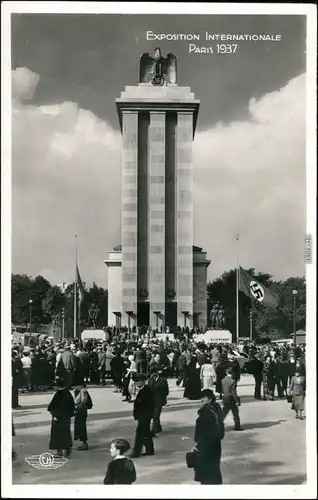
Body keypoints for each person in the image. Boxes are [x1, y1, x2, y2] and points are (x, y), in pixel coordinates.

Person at [192, 389, 225, 485]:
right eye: (201, 397)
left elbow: (201, 432)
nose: (201, 400)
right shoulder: (216, 408)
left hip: (206, 445)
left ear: (210, 399)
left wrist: (198, 445)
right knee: (214, 468)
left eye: (204, 397)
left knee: (206, 471)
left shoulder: (206, 412)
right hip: (216, 444)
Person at [47, 378, 75, 458]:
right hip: (66, 417)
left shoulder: (58, 395)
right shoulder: (68, 394)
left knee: (57, 434)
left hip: (57, 417)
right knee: (65, 433)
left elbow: (52, 406)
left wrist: (54, 414)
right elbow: (71, 406)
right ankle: (67, 448)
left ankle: (59, 451)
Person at [131, 373, 155, 458]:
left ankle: (136, 452)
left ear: (142, 381)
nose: (136, 383)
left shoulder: (146, 391)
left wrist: (140, 415)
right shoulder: (144, 390)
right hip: (144, 416)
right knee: (146, 433)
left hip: (144, 416)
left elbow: (146, 405)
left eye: (137, 381)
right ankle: (150, 450)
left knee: (140, 434)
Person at [147, 367, 169, 437]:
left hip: (159, 400)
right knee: (154, 416)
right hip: (151, 401)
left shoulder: (163, 380)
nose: (153, 374)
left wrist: (162, 398)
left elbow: (166, 391)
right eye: (152, 373)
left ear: (157, 372)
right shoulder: (150, 380)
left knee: (156, 416)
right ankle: (158, 427)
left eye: (154, 373)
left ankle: (152, 431)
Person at [74, 386, 93, 450]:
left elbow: (83, 400)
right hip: (80, 410)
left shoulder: (82, 391)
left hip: (81, 411)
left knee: (81, 427)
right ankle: (84, 443)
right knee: (80, 427)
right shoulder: (80, 390)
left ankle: (84, 443)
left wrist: (79, 405)